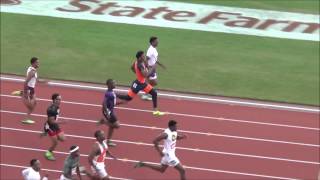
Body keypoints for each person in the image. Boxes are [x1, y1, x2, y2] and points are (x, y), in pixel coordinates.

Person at [117, 51, 165, 116]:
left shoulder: (137, 62)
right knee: (128, 98)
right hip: (138, 85)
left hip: (142, 84)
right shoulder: (140, 65)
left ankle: (155, 111)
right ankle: (114, 95)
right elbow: (146, 75)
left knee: (154, 93)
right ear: (139, 58)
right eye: (143, 56)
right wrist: (153, 68)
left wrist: (138, 74)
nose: (145, 56)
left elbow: (132, 68)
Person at [97, 79, 126, 147]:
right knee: (117, 125)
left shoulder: (112, 92)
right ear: (109, 85)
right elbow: (104, 104)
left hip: (110, 111)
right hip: (109, 112)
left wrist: (121, 103)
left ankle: (108, 141)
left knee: (112, 126)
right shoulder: (108, 93)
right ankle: (103, 122)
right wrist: (107, 113)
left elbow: (112, 103)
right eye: (113, 83)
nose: (115, 84)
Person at [12, 57, 40, 124]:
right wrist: (25, 92)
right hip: (29, 89)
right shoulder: (32, 72)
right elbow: (25, 82)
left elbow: (36, 80)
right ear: (33, 63)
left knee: (35, 103)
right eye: (37, 62)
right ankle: (21, 93)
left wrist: (44, 82)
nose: (38, 64)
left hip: (32, 89)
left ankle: (27, 118)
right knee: (31, 106)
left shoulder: (32, 69)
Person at [141, 36, 166, 101]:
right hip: (151, 68)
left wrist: (160, 64)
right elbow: (146, 59)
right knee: (153, 82)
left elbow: (154, 59)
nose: (158, 42)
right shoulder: (150, 50)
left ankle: (147, 93)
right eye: (156, 41)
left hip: (153, 68)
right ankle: (146, 94)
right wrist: (147, 67)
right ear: (152, 42)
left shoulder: (154, 49)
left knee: (151, 82)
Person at [43, 93, 65, 161]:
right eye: (58, 99)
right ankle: (48, 153)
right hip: (49, 126)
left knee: (63, 138)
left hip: (55, 125)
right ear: (54, 100)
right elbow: (51, 122)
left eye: (60, 99)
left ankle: (54, 136)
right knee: (55, 143)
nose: (59, 101)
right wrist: (62, 122)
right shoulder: (51, 109)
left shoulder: (57, 106)